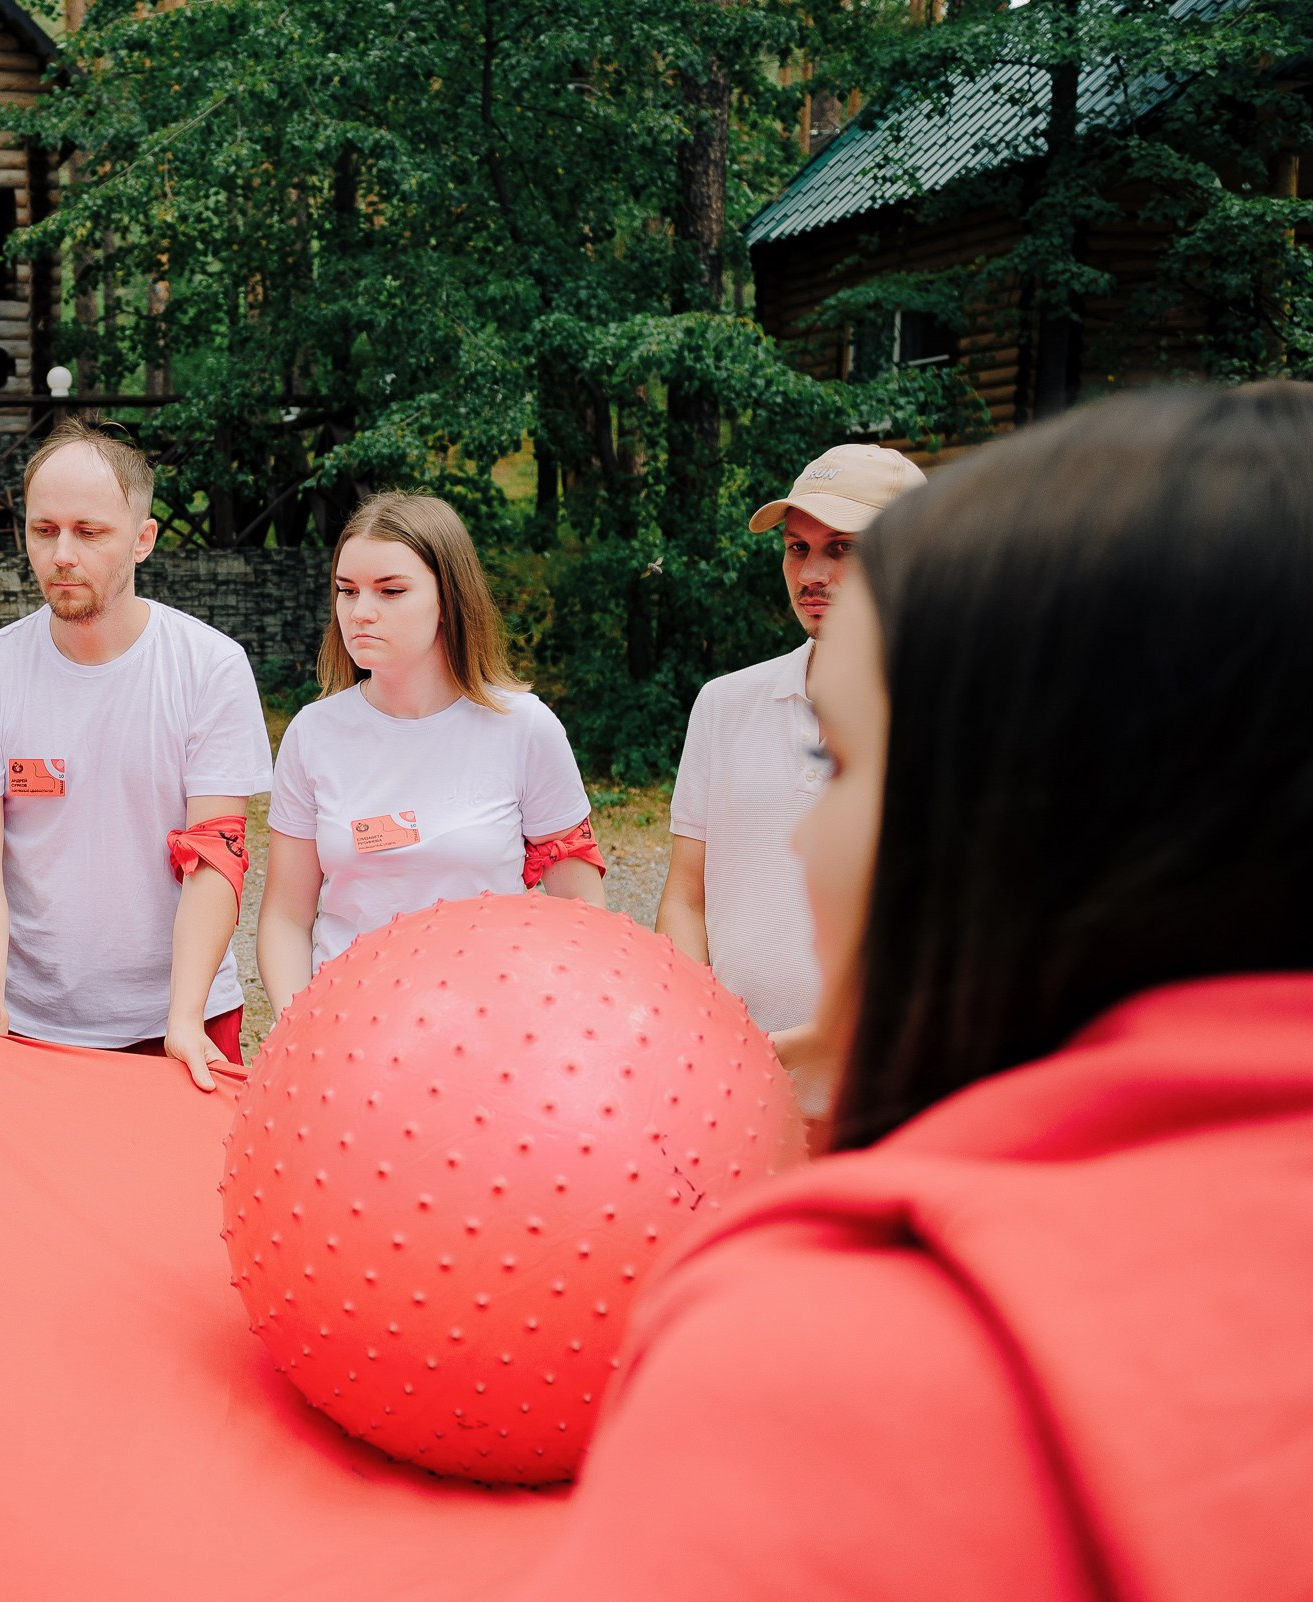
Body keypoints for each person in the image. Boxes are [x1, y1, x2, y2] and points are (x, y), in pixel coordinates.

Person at [521, 384, 1313, 1599]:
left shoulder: (816, 1351)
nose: (803, 839)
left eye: (839, 763)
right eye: (801, 548)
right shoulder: (729, 706)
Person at [0, 418, 273, 1090]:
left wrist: (184, 1014)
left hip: (183, 1019)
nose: (61, 553)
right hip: (28, 1021)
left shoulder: (210, 667)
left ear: (143, 539)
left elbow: (215, 852)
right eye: (43, 529)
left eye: (89, 532)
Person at [656, 442, 925, 1113]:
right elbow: (687, 897)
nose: (811, 573)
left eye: (842, 549)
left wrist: (782, 1049)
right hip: (733, 1101)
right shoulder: (725, 702)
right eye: (797, 548)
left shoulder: (965, 715)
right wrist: (699, 1030)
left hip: (891, 1101)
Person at [259, 493, 604, 1011]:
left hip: (490, 1030)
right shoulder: (313, 735)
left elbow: (582, 910)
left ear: (448, 598)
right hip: (350, 1032)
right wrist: (300, 1021)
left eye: (390, 591)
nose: (361, 612)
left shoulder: (523, 727)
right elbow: (286, 915)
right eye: (347, 591)